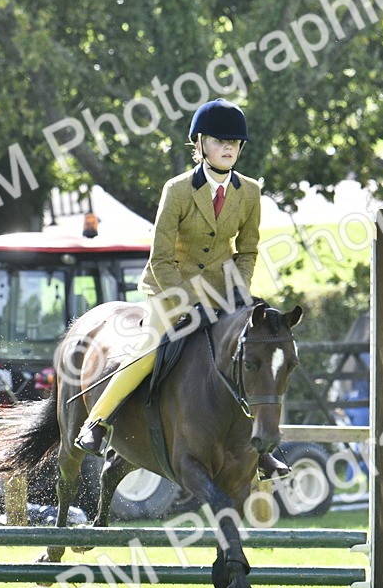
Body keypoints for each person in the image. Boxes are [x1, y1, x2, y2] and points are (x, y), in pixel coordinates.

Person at [75, 98, 290, 479]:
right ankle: (98, 422)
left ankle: (262, 449)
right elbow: (160, 258)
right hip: (170, 287)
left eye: (234, 143)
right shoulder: (177, 190)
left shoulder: (250, 191)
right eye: (220, 141)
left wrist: (238, 293)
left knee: (253, 352)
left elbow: (248, 250)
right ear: (200, 143)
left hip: (224, 292)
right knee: (149, 350)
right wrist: (186, 302)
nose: (228, 148)